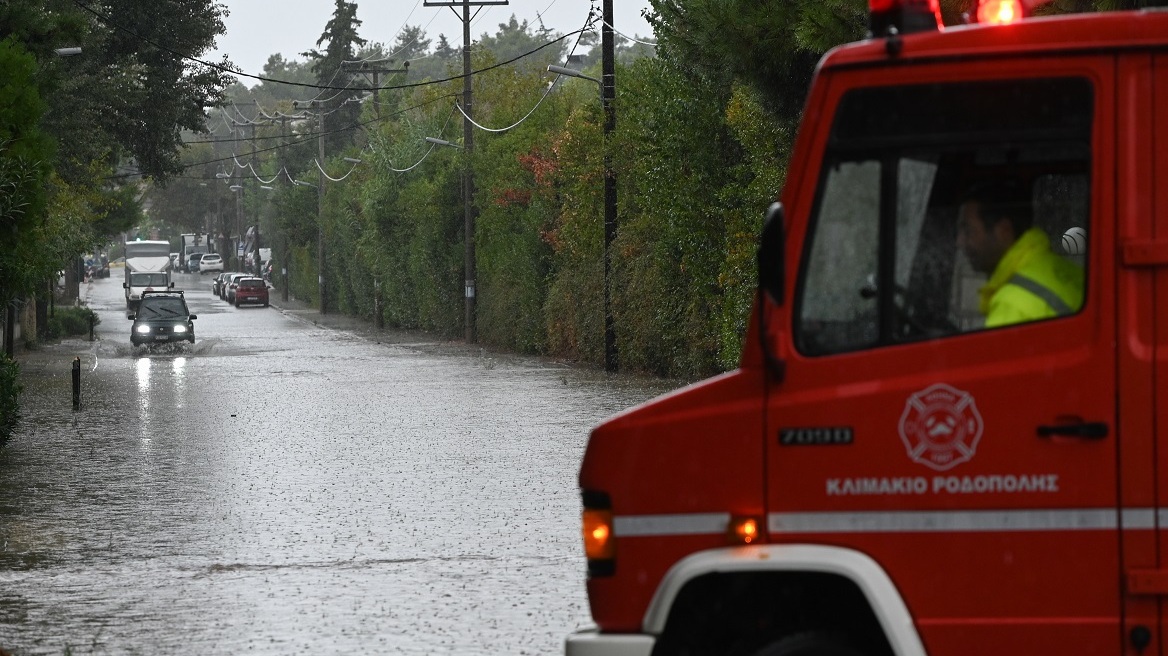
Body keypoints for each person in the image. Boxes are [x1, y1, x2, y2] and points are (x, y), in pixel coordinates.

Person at [956, 180, 1084, 328]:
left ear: (1004, 231)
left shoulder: (1012, 305)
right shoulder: (1062, 269)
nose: (959, 242)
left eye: (968, 231)